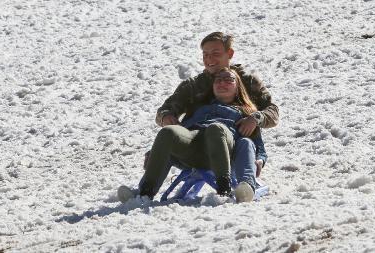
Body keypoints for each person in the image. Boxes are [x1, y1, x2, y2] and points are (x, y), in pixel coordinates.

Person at [118, 32, 279, 202]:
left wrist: (256, 123)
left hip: (230, 143)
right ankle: (144, 193)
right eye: (205, 54)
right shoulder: (193, 86)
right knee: (171, 133)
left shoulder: (246, 82)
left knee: (217, 130)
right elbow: (164, 111)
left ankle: (226, 189)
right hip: (195, 143)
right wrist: (165, 123)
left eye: (216, 53)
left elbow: (272, 112)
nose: (209, 59)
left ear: (229, 54)